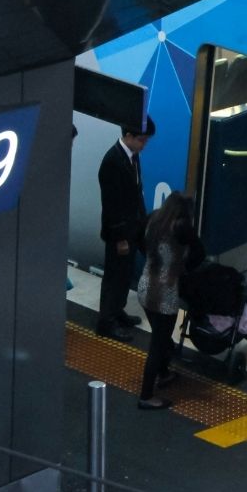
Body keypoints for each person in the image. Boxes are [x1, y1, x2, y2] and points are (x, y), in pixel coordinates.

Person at [135, 192, 201, 410]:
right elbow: (199, 253)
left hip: (145, 285)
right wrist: (181, 266)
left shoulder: (153, 218)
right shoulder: (182, 227)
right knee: (158, 343)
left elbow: (138, 241)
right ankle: (146, 395)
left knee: (160, 337)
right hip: (165, 293)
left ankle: (163, 373)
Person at [97, 116, 154, 340]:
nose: (144, 145)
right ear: (128, 136)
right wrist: (120, 238)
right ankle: (106, 322)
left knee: (124, 274)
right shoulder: (113, 162)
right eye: (141, 140)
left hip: (133, 228)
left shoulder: (132, 157)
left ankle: (116, 311)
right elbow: (112, 205)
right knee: (115, 276)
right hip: (119, 233)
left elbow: (136, 193)